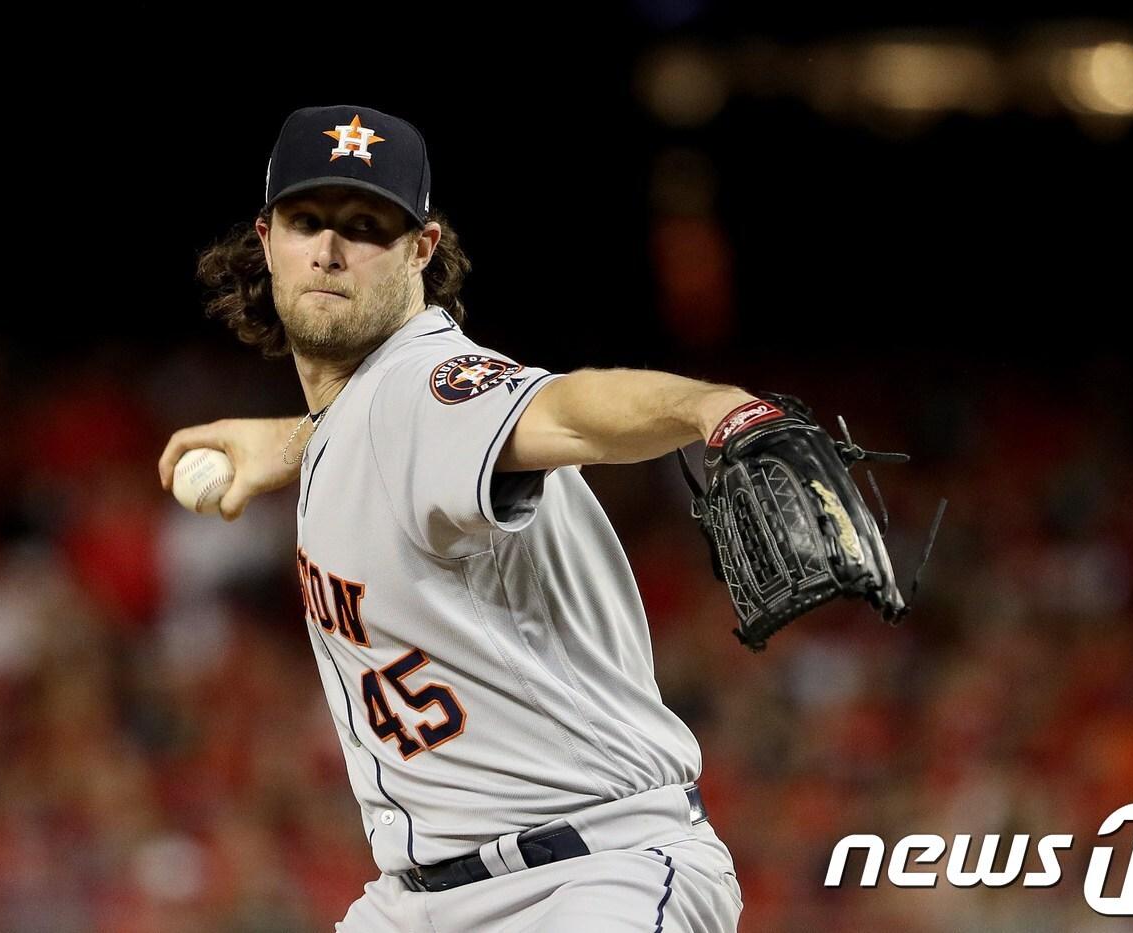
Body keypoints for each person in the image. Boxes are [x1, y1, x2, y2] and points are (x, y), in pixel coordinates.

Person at [158, 104, 757, 931]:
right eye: (307, 221)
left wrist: (711, 406)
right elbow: (376, 434)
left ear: (422, 250)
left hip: (590, 880)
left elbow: (568, 410)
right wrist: (295, 441)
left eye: (366, 225)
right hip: (419, 901)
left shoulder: (431, 383)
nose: (329, 249)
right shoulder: (361, 419)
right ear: (266, 241)